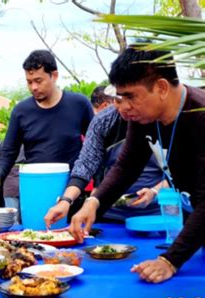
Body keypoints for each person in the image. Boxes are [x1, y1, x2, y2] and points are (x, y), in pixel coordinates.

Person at [70, 47, 205, 284]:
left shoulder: (201, 115)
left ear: (161, 88)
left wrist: (169, 261)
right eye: (120, 98)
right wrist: (94, 202)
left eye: (130, 96)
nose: (123, 108)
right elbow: (126, 167)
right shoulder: (145, 117)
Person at [0, 49, 93, 206]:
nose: (33, 87)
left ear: (54, 76)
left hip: (71, 189)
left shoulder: (79, 104)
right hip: (35, 188)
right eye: (29, 81)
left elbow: (96, 147)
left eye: (38, 81)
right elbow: (9, 150)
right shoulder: (21, 111)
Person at [45, 85, 165, 227]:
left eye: (129, 100)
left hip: (156, 217)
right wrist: (66, 200)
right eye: (118, 101)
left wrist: (154, 191)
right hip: (108, 213)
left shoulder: (159, 120)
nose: (123, 108)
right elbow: (86, 163)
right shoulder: (104, 121)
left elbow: (179, 173)